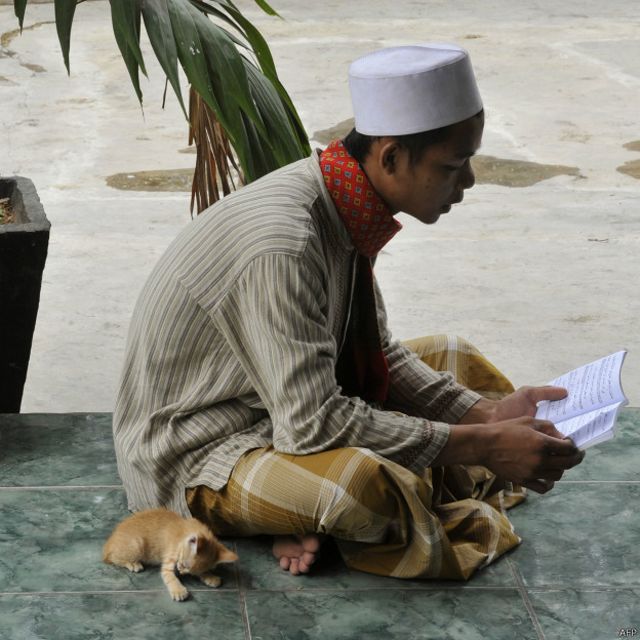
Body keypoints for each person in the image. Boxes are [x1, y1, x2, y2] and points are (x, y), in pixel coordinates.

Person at [113, 43, 585, 581]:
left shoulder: (344, 204)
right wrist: (477, 443)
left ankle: (299, 516)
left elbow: (375, 353)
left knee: (456, 358)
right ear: (389, 158)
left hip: (277, 407)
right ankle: (295, 512)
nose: (470, 181)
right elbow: (315, 422)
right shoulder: (283, 243)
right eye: (454, 165)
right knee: (363, 485)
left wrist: (481, 416)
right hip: (202, 449)